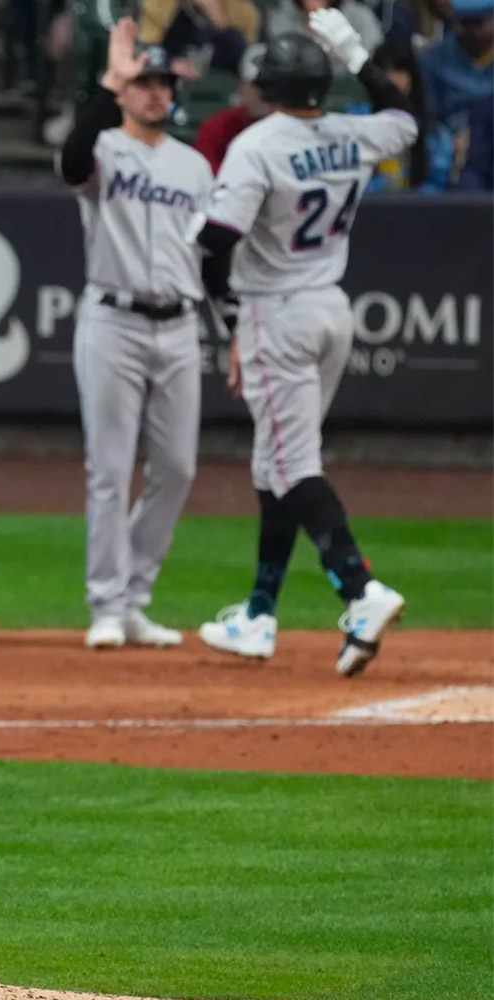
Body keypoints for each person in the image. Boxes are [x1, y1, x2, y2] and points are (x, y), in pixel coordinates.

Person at [193, 13, 416, 675]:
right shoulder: (353, 131)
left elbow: (216, 244)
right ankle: (258, 615)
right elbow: (404, 119)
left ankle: (360, 590)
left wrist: (229, 317)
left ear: (267, 84)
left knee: (292, 469)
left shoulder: (259, 144)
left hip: (276, 313)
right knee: (277, 464)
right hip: (331, 310)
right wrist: (356, 51)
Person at [57, 21, 210, 650]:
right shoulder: (102, 151)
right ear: (124, 91)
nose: (154, 94)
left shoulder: (195, 165)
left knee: (177, 467)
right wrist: (107, 82)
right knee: (110, 470)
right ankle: (106, 603)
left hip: (179, 323)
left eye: (161, 83)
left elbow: (211, 254)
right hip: (112, 320)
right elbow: (70, 162)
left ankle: (137, 595)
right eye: (143, 83)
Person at [347, 38, 453, 189]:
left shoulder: (435, 133)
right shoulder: (355, 122)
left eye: (399, 70)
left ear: (412, 77)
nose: (391, 79)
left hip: (419, 209)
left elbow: (436, 186)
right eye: (384, 71)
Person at [419, 0, 493, 189]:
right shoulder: (432, 60)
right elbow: (428, 117)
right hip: (448, 150)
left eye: (479, 23)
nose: (473, 32)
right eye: (465, 24)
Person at [194, 42, 269, 173]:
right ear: (241, 85)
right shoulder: (219, 126)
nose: (260, 93)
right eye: (254, 85)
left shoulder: (294, 129)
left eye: (267, 85)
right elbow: (203, 175)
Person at [139, 0, 260, 77]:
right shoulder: (157, 4)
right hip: (171, 84)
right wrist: (170, 63)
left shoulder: (243, 11)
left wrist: (216, 15)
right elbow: (147, 49)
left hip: (224, 92)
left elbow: (246, 62)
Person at [266, 0, 384, 71]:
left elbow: (372, 62)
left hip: (353, 91)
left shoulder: (360, 16)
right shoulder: (281, 19)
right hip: (299, 92)